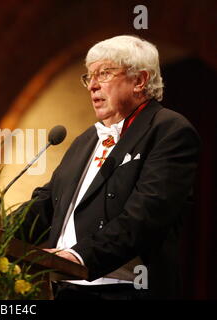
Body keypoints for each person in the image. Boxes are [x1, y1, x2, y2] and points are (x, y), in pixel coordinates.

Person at [16, 35, 200, 299]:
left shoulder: (168, 131)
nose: (92, 85)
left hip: (126, 291)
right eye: (89, 77)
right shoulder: (87, 140)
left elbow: (146, 215)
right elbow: (47, 202)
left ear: (139, 80)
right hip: (66, 288)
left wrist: (79, 255)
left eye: (104, 74)